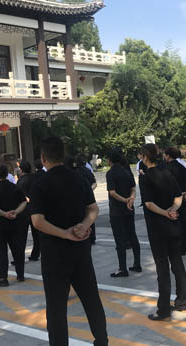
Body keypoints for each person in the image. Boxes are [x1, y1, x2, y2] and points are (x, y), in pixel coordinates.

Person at [30, 137, 108, 346]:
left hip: (54, 254)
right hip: (80, 250)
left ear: (43, 158)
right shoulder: (79, 178)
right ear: (63, 155)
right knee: (91, 299)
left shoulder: (40, 184)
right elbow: (93, 209)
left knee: (56, 307)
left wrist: (64, 234)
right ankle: (102, 340)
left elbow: (37, 221)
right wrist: (83, 225)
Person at [139, 143, 186, 321]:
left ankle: (164, 310)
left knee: (162, 268)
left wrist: (165, 213)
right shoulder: (167, 173)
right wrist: (172, 210)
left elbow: (149, 204)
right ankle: (182, 301)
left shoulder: (145, 178)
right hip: (173, 225)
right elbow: (178, 196)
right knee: (177, 263)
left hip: (157, 228)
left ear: (145, 157)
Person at [0, 164, 29, 286]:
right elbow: (24, 202)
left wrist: (4, 214)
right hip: (15, 223)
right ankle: (20, 274)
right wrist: (15, 212)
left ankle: (3, 278)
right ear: (7, 174)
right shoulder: (15, 187)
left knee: (2, 252)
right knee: (18, 249)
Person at [106, 150, 141, 278]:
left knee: (120, 239)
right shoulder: (126, 171)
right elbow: (133, 188)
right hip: (129, 208)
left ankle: (122, 268)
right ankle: (137, 264)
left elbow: (112, 192)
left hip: (116, 210)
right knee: (132, 235)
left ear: (109, 160)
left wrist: (124, 200)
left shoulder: (110, 173)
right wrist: (130, 199)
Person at [164, 147, 186, 255]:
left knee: (175, 222)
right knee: (184, 222)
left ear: (168, 155)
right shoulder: (181, 166)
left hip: (173, 199)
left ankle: (180, 248)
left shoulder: (166, 168)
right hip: (183, 197)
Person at [16, 161, 40, 262]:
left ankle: (19, 256)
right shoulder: (35, 178)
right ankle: (35, 254)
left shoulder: (20, 181)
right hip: (35, 208)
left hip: (24, 210)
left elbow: (18, 196)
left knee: (21, 236)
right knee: (36, 234)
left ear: (21, 169)